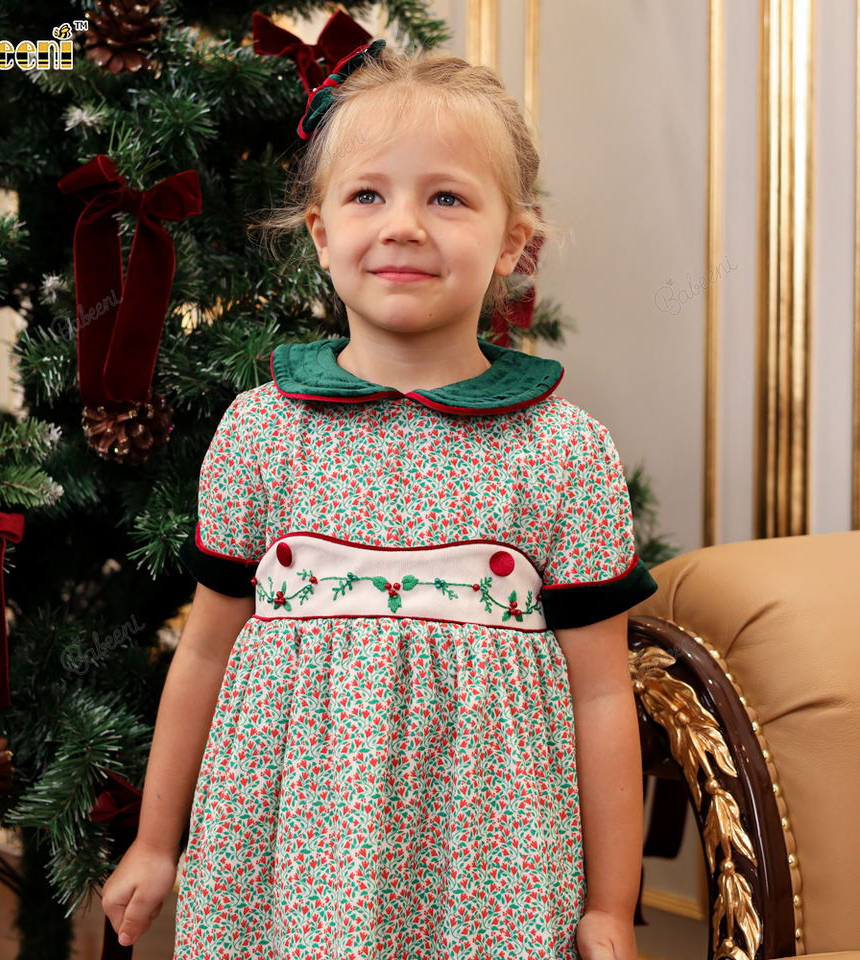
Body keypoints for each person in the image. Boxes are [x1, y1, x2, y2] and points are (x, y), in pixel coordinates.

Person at [100, 32, 658, 960]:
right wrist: (158, 845)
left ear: (514, 243)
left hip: (491, 874)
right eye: (368, 195)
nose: (403, 225)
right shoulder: (261, 431)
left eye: (447, 197)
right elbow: (203, 653)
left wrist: (609, 905)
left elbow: (601, 696)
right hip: (288, 862)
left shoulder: (563, 451)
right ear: (322, 234)